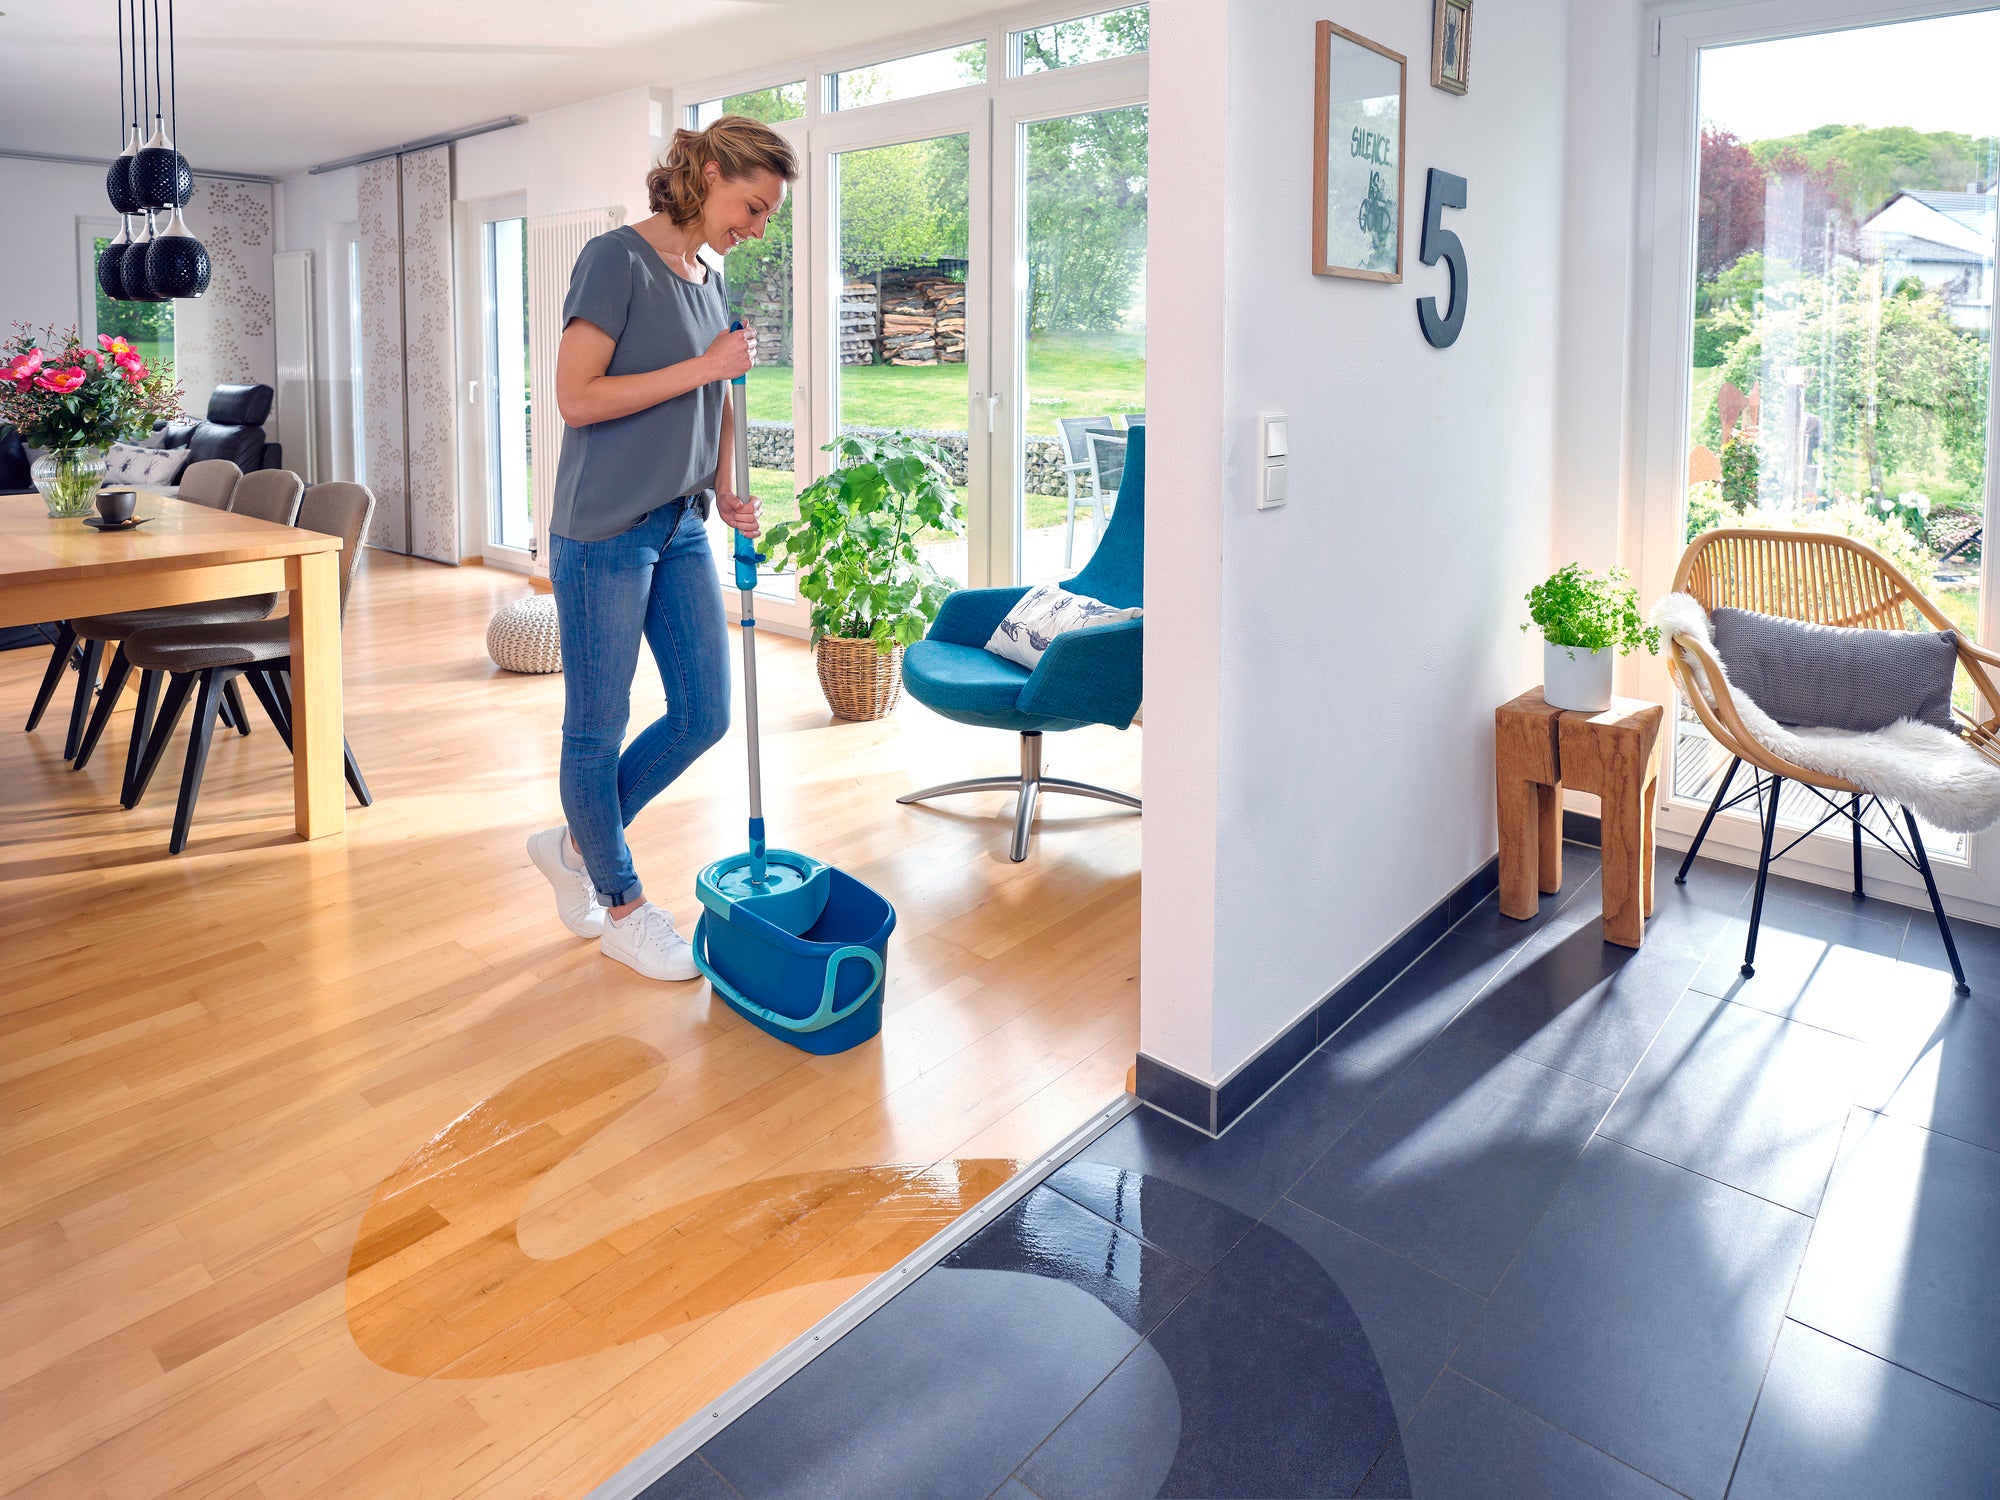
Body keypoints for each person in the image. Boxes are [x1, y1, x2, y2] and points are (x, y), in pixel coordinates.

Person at [527, 116, 797, 981]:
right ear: (709, 174)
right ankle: (623, 903)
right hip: (604, 527)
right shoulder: (617, 260)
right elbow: (577, 398)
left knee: (701, 714)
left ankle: (574, 840)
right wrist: (707, 366)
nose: (754, 229)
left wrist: (723, 485)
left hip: (682, 526)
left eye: (764, 218)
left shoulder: (706, 278)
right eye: (750, 207)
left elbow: (717, 400)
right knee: (596, 729)